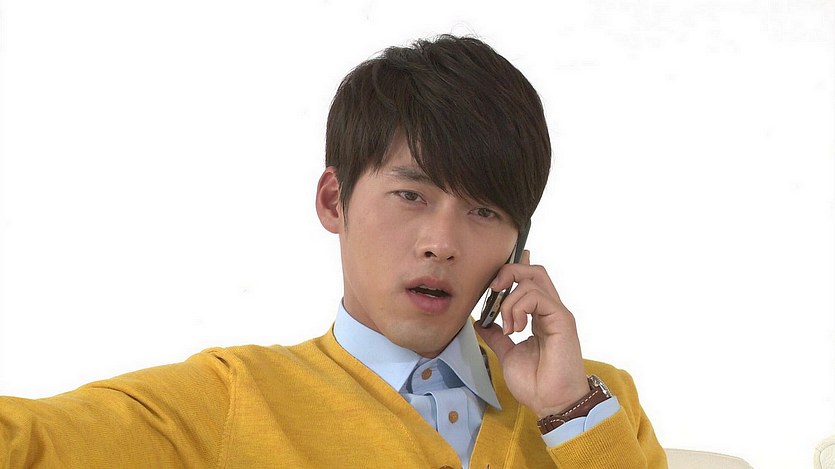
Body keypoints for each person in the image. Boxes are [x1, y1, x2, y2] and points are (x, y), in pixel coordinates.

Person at [1, 34, 666, 468]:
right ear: (333, 201)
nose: (441, 243)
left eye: (483, 211)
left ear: (518, 244)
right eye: (410, 195)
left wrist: (568, 412)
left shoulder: (593, 402)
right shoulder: (235, 396)